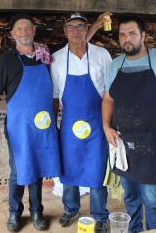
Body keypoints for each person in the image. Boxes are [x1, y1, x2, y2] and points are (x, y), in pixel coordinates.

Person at [102, 16, 156, 233]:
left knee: (153, 200)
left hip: (152, 143)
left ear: (143, 36)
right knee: (130, 196)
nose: (126, 39)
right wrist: (105, 126)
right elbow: (108, 99)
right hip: (123, 143)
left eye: (132, 33)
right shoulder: (115, 65)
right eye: (122, 35)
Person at [0, 14, 61, 232]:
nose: (24, 32)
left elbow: (77, 42)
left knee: (36, 170)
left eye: (28, 28)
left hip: (42, 128)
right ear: (12, 35)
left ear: (34, 31)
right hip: (18, 128)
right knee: (19, 171)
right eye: (19, 29)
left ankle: (37, 211)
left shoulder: (45, 57)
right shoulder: (8, 61)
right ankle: (14, 212)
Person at [50, 12, 112, 233]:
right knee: (69, 168)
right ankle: (71, 209)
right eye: (71, 27)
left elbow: (109, 92)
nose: (76, 30)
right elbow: (56, 96)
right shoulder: (56, 59)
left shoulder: (102, 54)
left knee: (97, 168)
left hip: (97, 122)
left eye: (80, 26)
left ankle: (100, 214)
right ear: (65, 31)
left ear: (87, 30)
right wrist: (52, 128)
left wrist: (109, 123)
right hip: (69, 123)